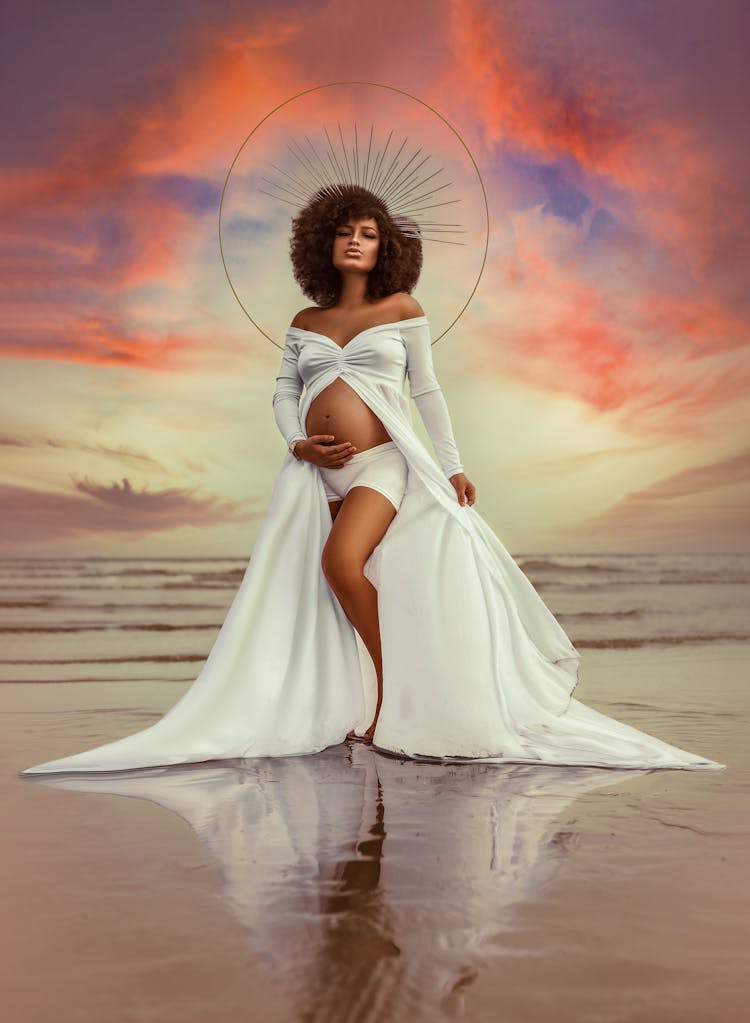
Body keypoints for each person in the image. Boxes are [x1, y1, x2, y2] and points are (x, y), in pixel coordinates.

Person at [20, 185, 725, 776]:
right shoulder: (305, 321)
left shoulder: (402, 311)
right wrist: (296, 441)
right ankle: (356, 699)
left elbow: (427, 392)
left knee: (340, 564)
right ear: (322, 243)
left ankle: (393, 695)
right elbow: (281, 393)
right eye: (346, 232)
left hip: (382, 465)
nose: (357, 242)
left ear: (386, 247)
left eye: (369, 233)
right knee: (320, 594)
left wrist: (450, 462)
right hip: (311, 474)